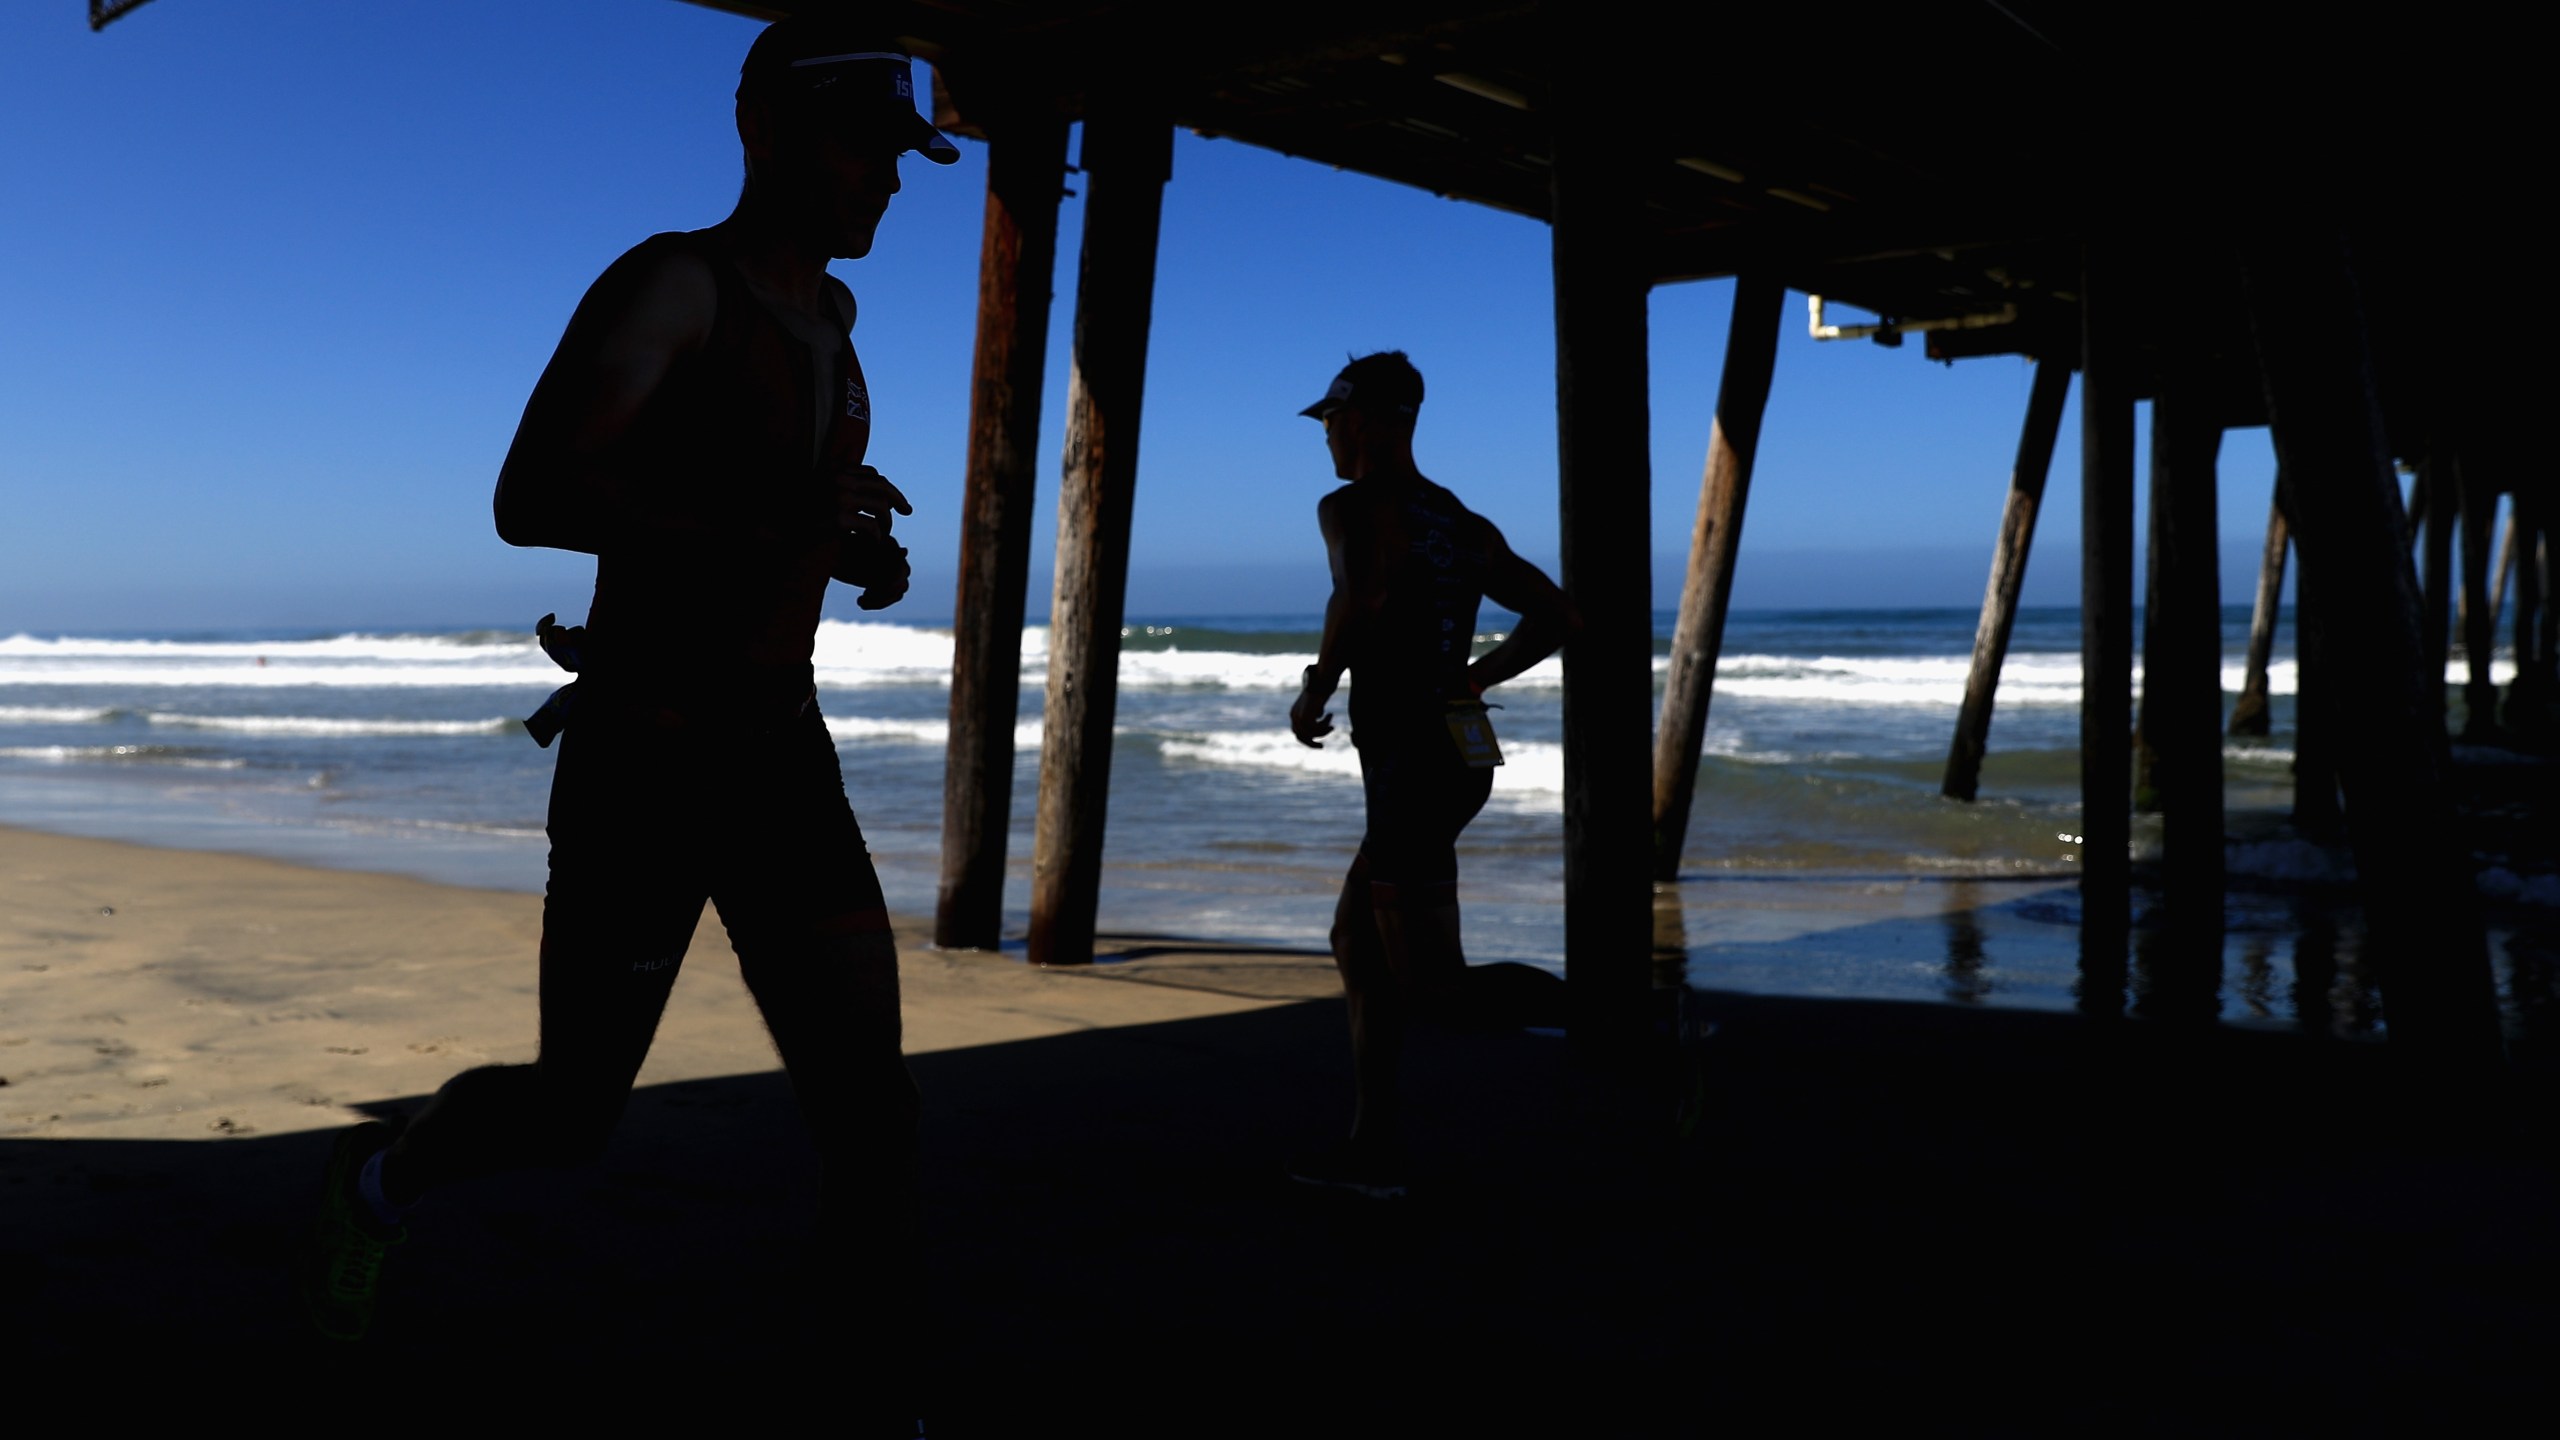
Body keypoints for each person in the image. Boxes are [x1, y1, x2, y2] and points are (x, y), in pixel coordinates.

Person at [299, 14, 958, 1354]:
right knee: (569, 1112)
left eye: (900, 154)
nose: (886, 179)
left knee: (873, 1109)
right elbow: (534, 496)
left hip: (781, 750)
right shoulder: (677, 285)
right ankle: (378, 1186)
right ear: (763, 129)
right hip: (648, 759)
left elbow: (780, 506)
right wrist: (787, 520)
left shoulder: (832, 316)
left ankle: (881, 1394)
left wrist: (854, 548)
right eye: (860, 147)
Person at [1285, 352, 1578, 1200]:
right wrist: (1476, 679)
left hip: (1413, 756)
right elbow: (1559, 614)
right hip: (1462, 746)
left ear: (1373, 420)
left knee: (1432, 981)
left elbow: (1364, 595)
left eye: (1335, 420)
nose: (1329, 436)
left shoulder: (1350, 507)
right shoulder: (1460, 519)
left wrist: (1317, 688)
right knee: (1357, 944)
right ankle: (1372, 1141)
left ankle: (1627, 1020)